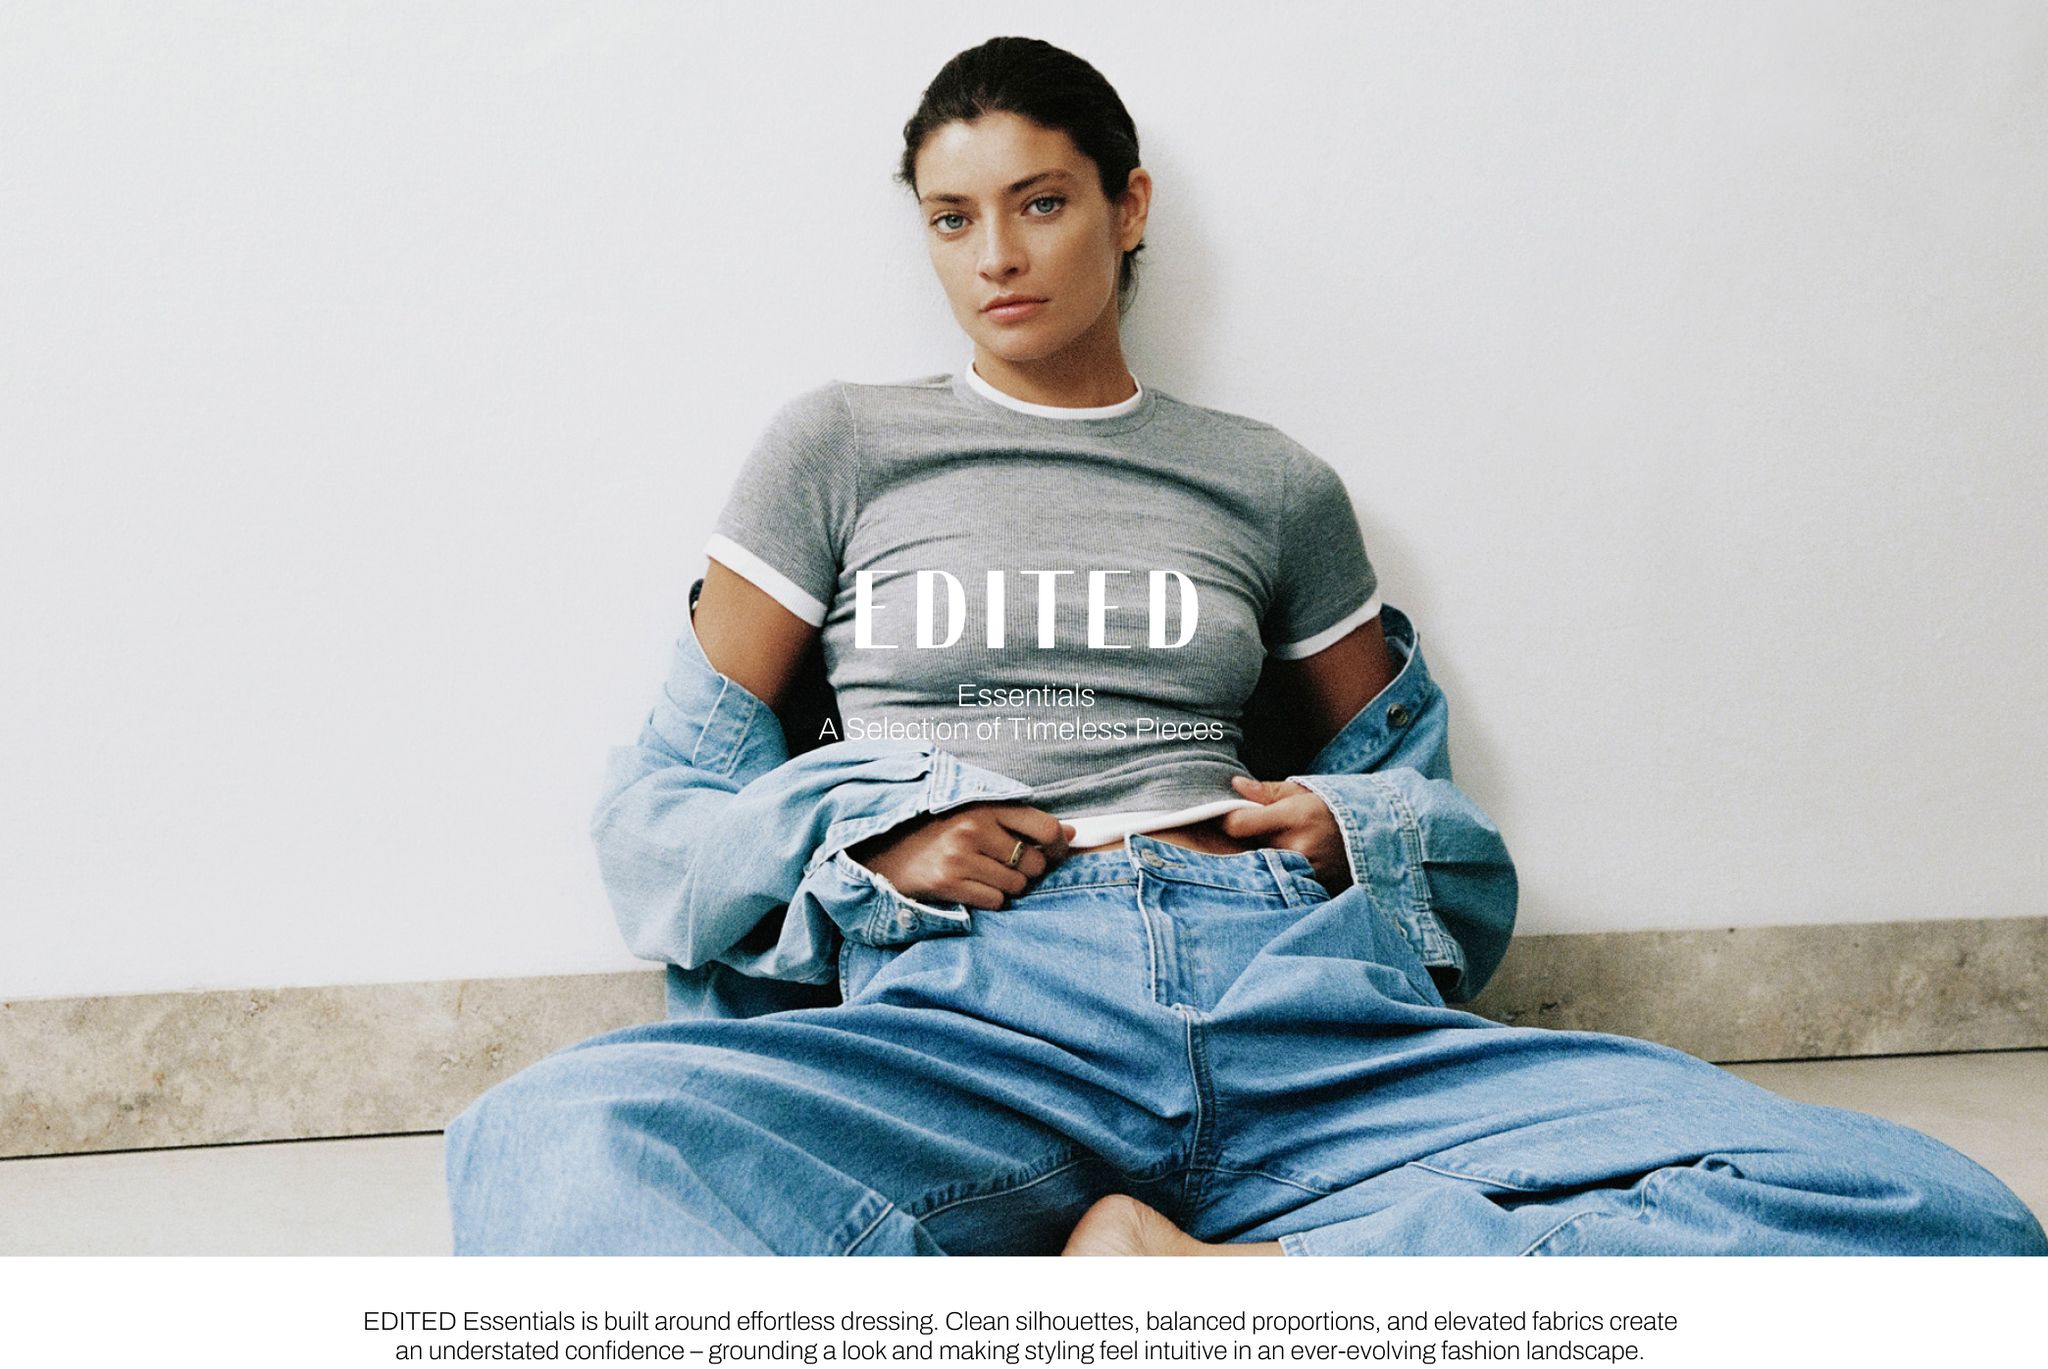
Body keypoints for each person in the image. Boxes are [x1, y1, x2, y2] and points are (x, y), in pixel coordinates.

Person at [443, 36, 2046, 1257]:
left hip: (1285, 983)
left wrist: (1344, 824)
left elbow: (1442, 840)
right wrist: (877, 837)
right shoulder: (841, 448)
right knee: (550, 1144)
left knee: (1932, 1214)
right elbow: (659, 821)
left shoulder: (1268, 481)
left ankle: (1221, 1283)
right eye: (952, 218)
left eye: (1040, 202)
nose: (995, 255)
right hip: (972, 1006)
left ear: (1127, 207)